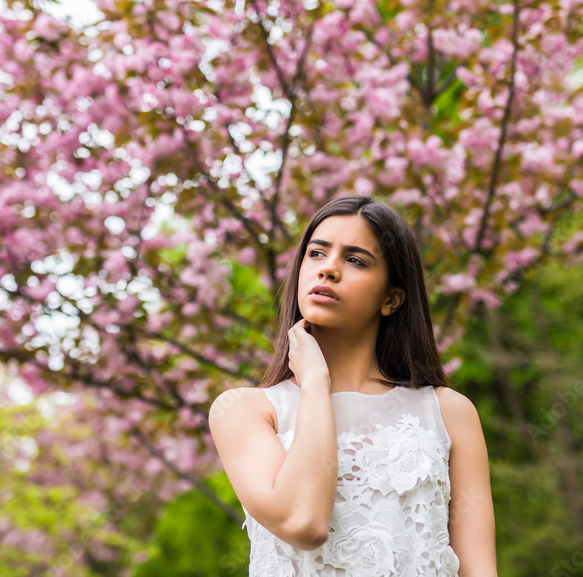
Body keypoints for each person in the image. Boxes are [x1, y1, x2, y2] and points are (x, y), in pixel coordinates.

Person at [209, 194, 498, 576]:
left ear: (391, 299)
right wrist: (314, 381)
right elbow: (304, 523)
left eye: (356, 260)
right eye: (316, 254)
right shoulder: (246, 411)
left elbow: (480, 571)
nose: (328, 269)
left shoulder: (448, 413)